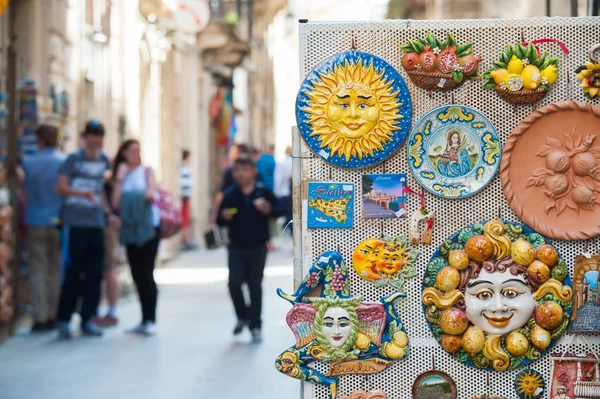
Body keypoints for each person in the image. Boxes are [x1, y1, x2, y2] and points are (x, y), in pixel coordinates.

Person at [56, 120, 116, 338]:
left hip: (95, 223)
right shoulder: (74, 159)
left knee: (94, 272)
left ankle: (88, 317)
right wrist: (82, 194)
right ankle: (64, 318)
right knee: (73, 272)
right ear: (86, 137)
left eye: (100, 135)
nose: (97, 139)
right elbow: (60, 187)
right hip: (75, 222)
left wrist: (109, 215)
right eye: (93, 135)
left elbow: (100, 191)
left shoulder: (103, 161)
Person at [217, 156, 285, 343]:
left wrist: (267, 208)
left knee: (255, 286)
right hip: (236, 247)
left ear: (253, 171)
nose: (240, 174)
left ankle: (255, 325)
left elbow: (280, 209)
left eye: (244, 170)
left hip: (258, 247)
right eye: (236, 170)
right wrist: (226, 215)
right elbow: (220, 218)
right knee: (234, 283)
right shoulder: (230, 194)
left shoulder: (263, 192)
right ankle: (242, 316)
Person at [111, 139, 160, 335]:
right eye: (131, 150)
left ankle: (151, 318)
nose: (135, 154)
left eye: (138, 150)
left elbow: (150, 194)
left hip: (148, 229)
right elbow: (115, 202)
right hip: (130, 231)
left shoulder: (147, 171)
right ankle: (143, 318)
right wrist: (120, 177)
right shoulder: (120, 175)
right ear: (123, 153)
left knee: (147, 274)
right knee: (137, 275)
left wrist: (133, 198)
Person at [21, 125, 66, 332]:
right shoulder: (62, 161)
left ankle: (40, 316)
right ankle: (54, 315)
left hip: (36, 220)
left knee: (38, 270)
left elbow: (24, 193)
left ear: (39, 140)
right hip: (56, 220)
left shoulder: (29, 162)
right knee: (55, 270)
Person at [92, 174, 120, 327]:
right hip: (98, 226)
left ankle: (110, 311)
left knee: (108, 269)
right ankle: (100, 310)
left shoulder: (111, 176)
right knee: (101, 270)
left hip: (105, 227)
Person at [180, 149, 197, 250]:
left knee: (186, 219)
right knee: (184, 219)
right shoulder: (184, 168)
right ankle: (186, 240)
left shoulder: (185, 167)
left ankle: (186, 240)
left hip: (186, 197)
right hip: (184, 197)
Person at [274, 146, 293, 236]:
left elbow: (278, 179)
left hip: (284, 192)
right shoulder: (294, 163)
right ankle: (289, 229)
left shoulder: (282, 164)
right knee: (291, 213)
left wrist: (277, 192)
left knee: (287, 213)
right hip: (292, 193)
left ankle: (286, 228)